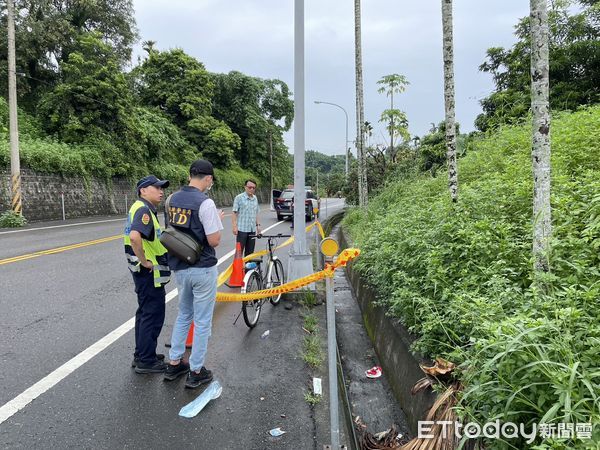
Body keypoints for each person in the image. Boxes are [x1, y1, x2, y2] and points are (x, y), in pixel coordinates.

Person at [164, 159, 224, 388]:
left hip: (181, 267)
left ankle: (173, 363)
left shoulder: (171, 199)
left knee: (184, 315)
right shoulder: (205, 203)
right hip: (202, 268)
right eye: (211, 180)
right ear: (207, 178)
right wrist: (216, 220)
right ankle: (196, 370)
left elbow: (172, 232)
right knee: (202, 322)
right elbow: (214, 240)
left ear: (190, 175)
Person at [124, 175, 171, 374]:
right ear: (143, 190)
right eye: (156, 188)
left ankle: (142, 354)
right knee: (152, 314)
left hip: (142, 273)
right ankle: (146, 360)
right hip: (148, 273)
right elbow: (135, 237)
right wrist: (145, 262)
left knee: (144, 312)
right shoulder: (143, 210)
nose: (161, 191)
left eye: (162, 188)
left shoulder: (139, 207)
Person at [232, 179, 261, 257]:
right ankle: (237, 269)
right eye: (249, 187)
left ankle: (248, 269)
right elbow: (234, 213)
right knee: (239, 252)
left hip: (252, 230)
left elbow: (256, 212)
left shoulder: (255, 198)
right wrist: (234, 227)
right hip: (242, 230)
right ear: (245, 187)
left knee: (250, 253)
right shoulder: (239, 198)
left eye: (253, 188)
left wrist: (258, 226)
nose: (251, 189)